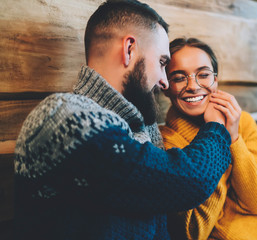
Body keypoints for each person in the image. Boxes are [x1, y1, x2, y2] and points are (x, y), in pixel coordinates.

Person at [14, 2, 233, 240]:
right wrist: (217, 128)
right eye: (161, 63)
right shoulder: (64, 118)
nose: (164, 82)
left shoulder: (141, 126)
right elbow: (187, 181)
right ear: (129, 49)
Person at [160, 37, 257, 240]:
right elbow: (193, 231)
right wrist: (215, 135)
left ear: (215, 80)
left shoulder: (242, 123)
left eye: (204, 74)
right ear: (166, 86)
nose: (193, 86)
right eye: (179, 78)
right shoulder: (166, 143)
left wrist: (233, 138)